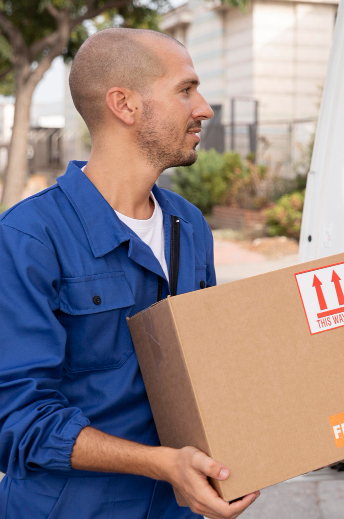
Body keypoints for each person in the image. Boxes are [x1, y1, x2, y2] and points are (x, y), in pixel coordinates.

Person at [0, 28, 259, 519]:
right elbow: (17, 420)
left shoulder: (189, 224)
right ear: (125, 104)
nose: (203, 108)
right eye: (185, 90)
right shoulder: (29, 238)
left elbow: (206, 370)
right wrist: (160, 464)